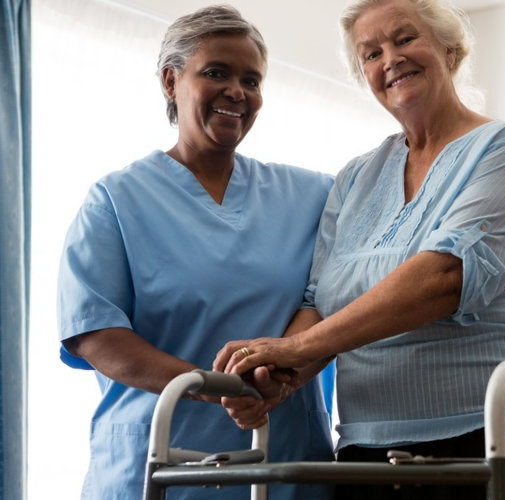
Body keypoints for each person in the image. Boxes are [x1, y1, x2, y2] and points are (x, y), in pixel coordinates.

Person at [214, 0, 505, 498]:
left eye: (405, 39)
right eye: (371, 53)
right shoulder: (356, 177)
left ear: (449, 48)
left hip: (498, 434)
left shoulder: (504, 147)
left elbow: (445, 278)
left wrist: (293, 350)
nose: (390, 59)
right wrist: (284, 378)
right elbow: (318, 301)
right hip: (369, 448)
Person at [55, 5, 334, 499]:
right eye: (216, 73)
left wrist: (277, 379)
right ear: (170, 81)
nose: (237, 92)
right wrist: (215, 386)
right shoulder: (116, 201)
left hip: (284, 465)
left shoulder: (311, 196)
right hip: (158, 464)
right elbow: (96, 334)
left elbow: (328, 303)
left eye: (252, 80)